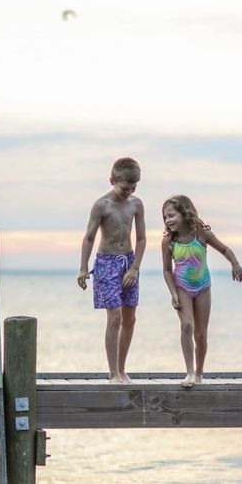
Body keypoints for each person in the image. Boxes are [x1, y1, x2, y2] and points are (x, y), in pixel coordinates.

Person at [161, 194, 242, 388]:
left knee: (201, 334)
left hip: (203, 287)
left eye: (172, 215)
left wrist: (235, 264)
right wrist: (173, 292)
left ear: (185, 213)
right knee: (186, 326)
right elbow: (166, 270)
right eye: (165, 217)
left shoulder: (201, 234)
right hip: (181, 287)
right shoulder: (169, 242)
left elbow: (224, 249)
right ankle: (189, 372)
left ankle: (199, 372)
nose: (168, 220)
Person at [78, 157, 146, 383]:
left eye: (133, 187)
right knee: (114, 317)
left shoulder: (136, 204)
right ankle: (112, 372)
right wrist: (83, 267)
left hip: (128, 262)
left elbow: (142, 238)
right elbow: (89, 237)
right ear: (112, 180)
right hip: (106, 263)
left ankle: (122, 368)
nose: (129, 192)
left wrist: (135, 268)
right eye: (125, 187)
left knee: (130, 317)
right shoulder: (101, 205)